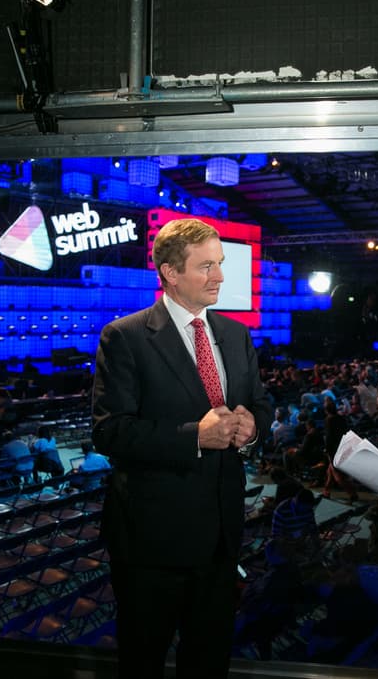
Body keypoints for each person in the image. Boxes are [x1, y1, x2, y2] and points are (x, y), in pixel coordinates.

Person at [91, 217, 273, 679]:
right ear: (171, 273)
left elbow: (262, 406)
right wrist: (195, 434)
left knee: (209, 662)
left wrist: (252, 428)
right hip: (152, 542)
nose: (220, 277)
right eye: (206, 266)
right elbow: (110, 431)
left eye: (220, 264)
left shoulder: (236, 334)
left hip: (220, 539)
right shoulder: (125, 337)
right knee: (143, 661)